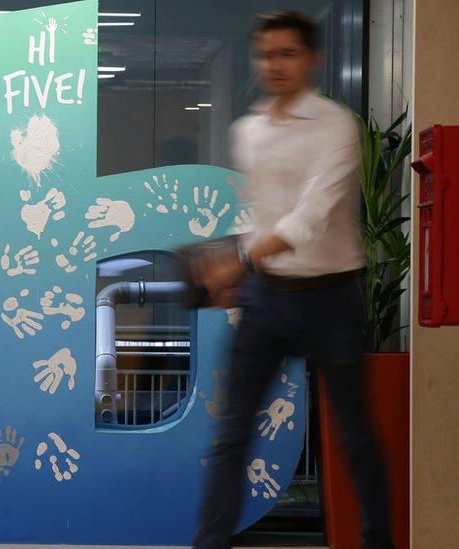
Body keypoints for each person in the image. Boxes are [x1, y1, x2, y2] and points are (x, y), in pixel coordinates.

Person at [191, 10, 394, 549]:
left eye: (287, 54)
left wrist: (243, 259)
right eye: (266, 54)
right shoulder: (248, 131)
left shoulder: (335, 125)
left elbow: (311, 218)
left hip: (332, 299)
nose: (274, 64)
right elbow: (261, 213)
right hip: (266, 300)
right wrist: (233, 263)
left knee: (354, 437)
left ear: (312, 59)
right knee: (232, 433)